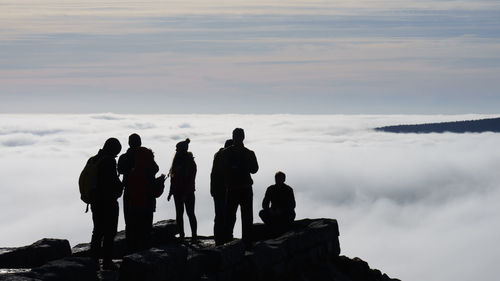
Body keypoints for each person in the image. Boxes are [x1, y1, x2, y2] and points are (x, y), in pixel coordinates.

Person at [221, 128, 259, 248]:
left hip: (232, 188)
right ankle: (247, 242)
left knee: (230, 216)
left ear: (233, 137)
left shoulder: (226, 153)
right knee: (247, 216)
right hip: (245, 188)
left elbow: (222, 169)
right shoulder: (249, 153)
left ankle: (228, 242)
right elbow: (255, 169)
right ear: (243, 137)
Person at [89, 138, 123, 270]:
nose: (116, 155)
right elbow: (111, 182)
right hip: (108, 202)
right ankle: (107, 262)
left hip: (95, 201)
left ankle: (94, 261)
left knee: (97, 230)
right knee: (109, 232)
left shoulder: (93, 159)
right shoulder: (109, 161)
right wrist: (121, 186)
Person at [126, 147, 165, 252]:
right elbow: (155, 192)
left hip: (134, 206)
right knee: (145, 234)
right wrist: (160, 182)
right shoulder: (147, 173)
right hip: (147, 206)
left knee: (135, 233)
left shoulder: (133, 172)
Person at [167, 138, 198, 240]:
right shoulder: (178, 162)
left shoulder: (189, 163)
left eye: (177, 149)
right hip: (179, 192)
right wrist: (171, 192)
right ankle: (182, 235)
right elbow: (173, 178)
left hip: (187, 193)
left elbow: (190, 180)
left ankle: (193, 236)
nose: (176, 151)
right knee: (180, 214)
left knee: (189, 214)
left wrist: (184, 193)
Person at [117, 133, 142, 252]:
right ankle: (141, 246)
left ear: (129, 143)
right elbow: (155, 169)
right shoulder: (145, 156)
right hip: (143, 191)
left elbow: (120, 170)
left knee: (129, 221)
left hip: (128, 191)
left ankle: (130, 247)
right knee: (141, 220)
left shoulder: (123, 157)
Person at [210, 139, 233, 245]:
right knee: (224, 215)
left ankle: (219, 238)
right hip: (223, 190)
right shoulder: (224, 157)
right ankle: (224, 237)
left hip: (218, 190)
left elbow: (213, 174)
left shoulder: (218, 155)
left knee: (220, 215)